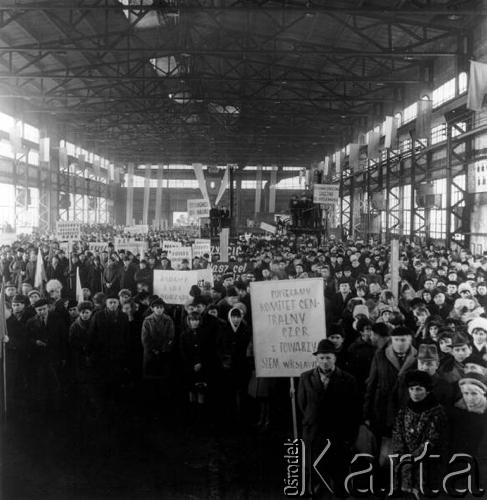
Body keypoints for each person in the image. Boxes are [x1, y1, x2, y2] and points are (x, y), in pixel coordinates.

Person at [297, 339, 360, 497]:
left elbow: (353, 411)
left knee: (339, 472)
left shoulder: (348, 379)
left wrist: (350, 437)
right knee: (316, 470)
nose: (325, 361)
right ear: (316, 359)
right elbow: (302, 404)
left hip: (338, 434)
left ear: (335, 358)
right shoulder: (305, 378)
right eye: (322, 358)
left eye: (328, 357)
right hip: (314, 433)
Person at [392, 370, 448, 495]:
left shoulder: (437, 412)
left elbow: (431, 441)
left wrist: (409, 460)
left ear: (427, 391)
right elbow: (398, 434)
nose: (414, 393)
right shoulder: (404, 409)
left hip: (427, 462)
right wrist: (400, 456)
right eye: (411, 389)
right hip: (405, 459)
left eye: (418, 389)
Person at [140, 297, 175, 412]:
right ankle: (150, 401)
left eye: (161, 307)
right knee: (150, 378)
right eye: (157, 307)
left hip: (164, 353)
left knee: (163, 378)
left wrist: (163, 348)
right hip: (150, 354)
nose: (159, 310)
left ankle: (163, 402)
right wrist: (153, 349)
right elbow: (145, 338)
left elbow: (170, 336)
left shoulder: (168, 320)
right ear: (152, 308)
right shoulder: (147, 320)